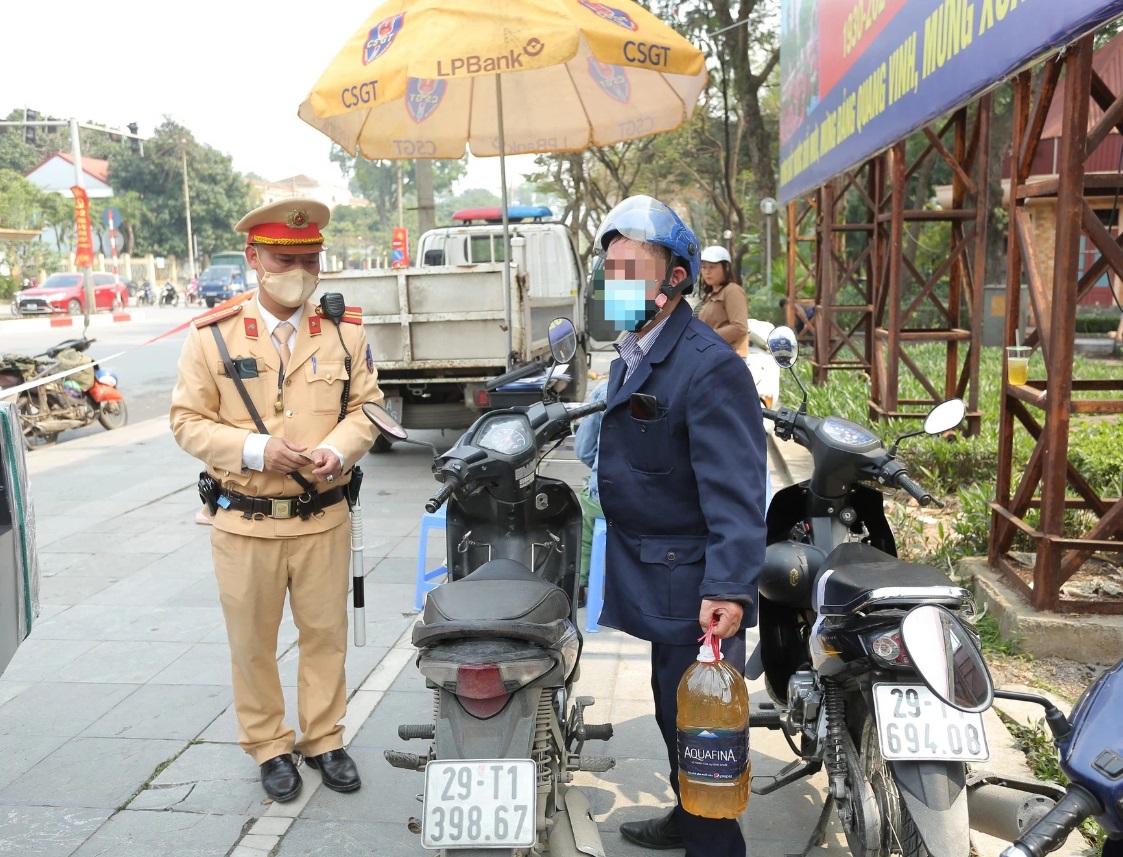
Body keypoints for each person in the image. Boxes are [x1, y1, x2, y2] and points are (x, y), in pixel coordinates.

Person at [169, 198, 383, 803]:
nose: (300, 269)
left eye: (310, 258)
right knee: (252, 643)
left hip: (322, 519)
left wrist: (338, 452)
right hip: (245, 523)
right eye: (285, 258)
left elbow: (367, 409)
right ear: (254, 258)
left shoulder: (345, 332)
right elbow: (186, 421)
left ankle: (324, 739)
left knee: (326, 636)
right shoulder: (212, 336)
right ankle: (268, 745)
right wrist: (257, 449)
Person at [592, 196, 767, 856]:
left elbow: (737, 492)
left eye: (630, 267)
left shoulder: (709, 365)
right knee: (675, 715)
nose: (614, 280)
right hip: (657, 571)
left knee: (702, 729)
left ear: (674, 278)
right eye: (608, 267)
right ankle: (687, 808)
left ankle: (713, 842)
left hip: (696, 586)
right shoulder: (637, 346)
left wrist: (726, 587)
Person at [573, 381, 608, 603]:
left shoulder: (605, 390)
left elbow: (584, 450)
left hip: (605, 499)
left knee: (587, 526)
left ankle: (580, 584)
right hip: (659, 500)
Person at [695, 245, 749, 358]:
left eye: (712, 267)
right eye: (704, 267)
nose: (707, 271)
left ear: (727, 267)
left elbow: (740, 327)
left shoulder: (732, 290)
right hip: (711, 356)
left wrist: (707, 336)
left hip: (728, 358)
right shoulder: (710, 295)